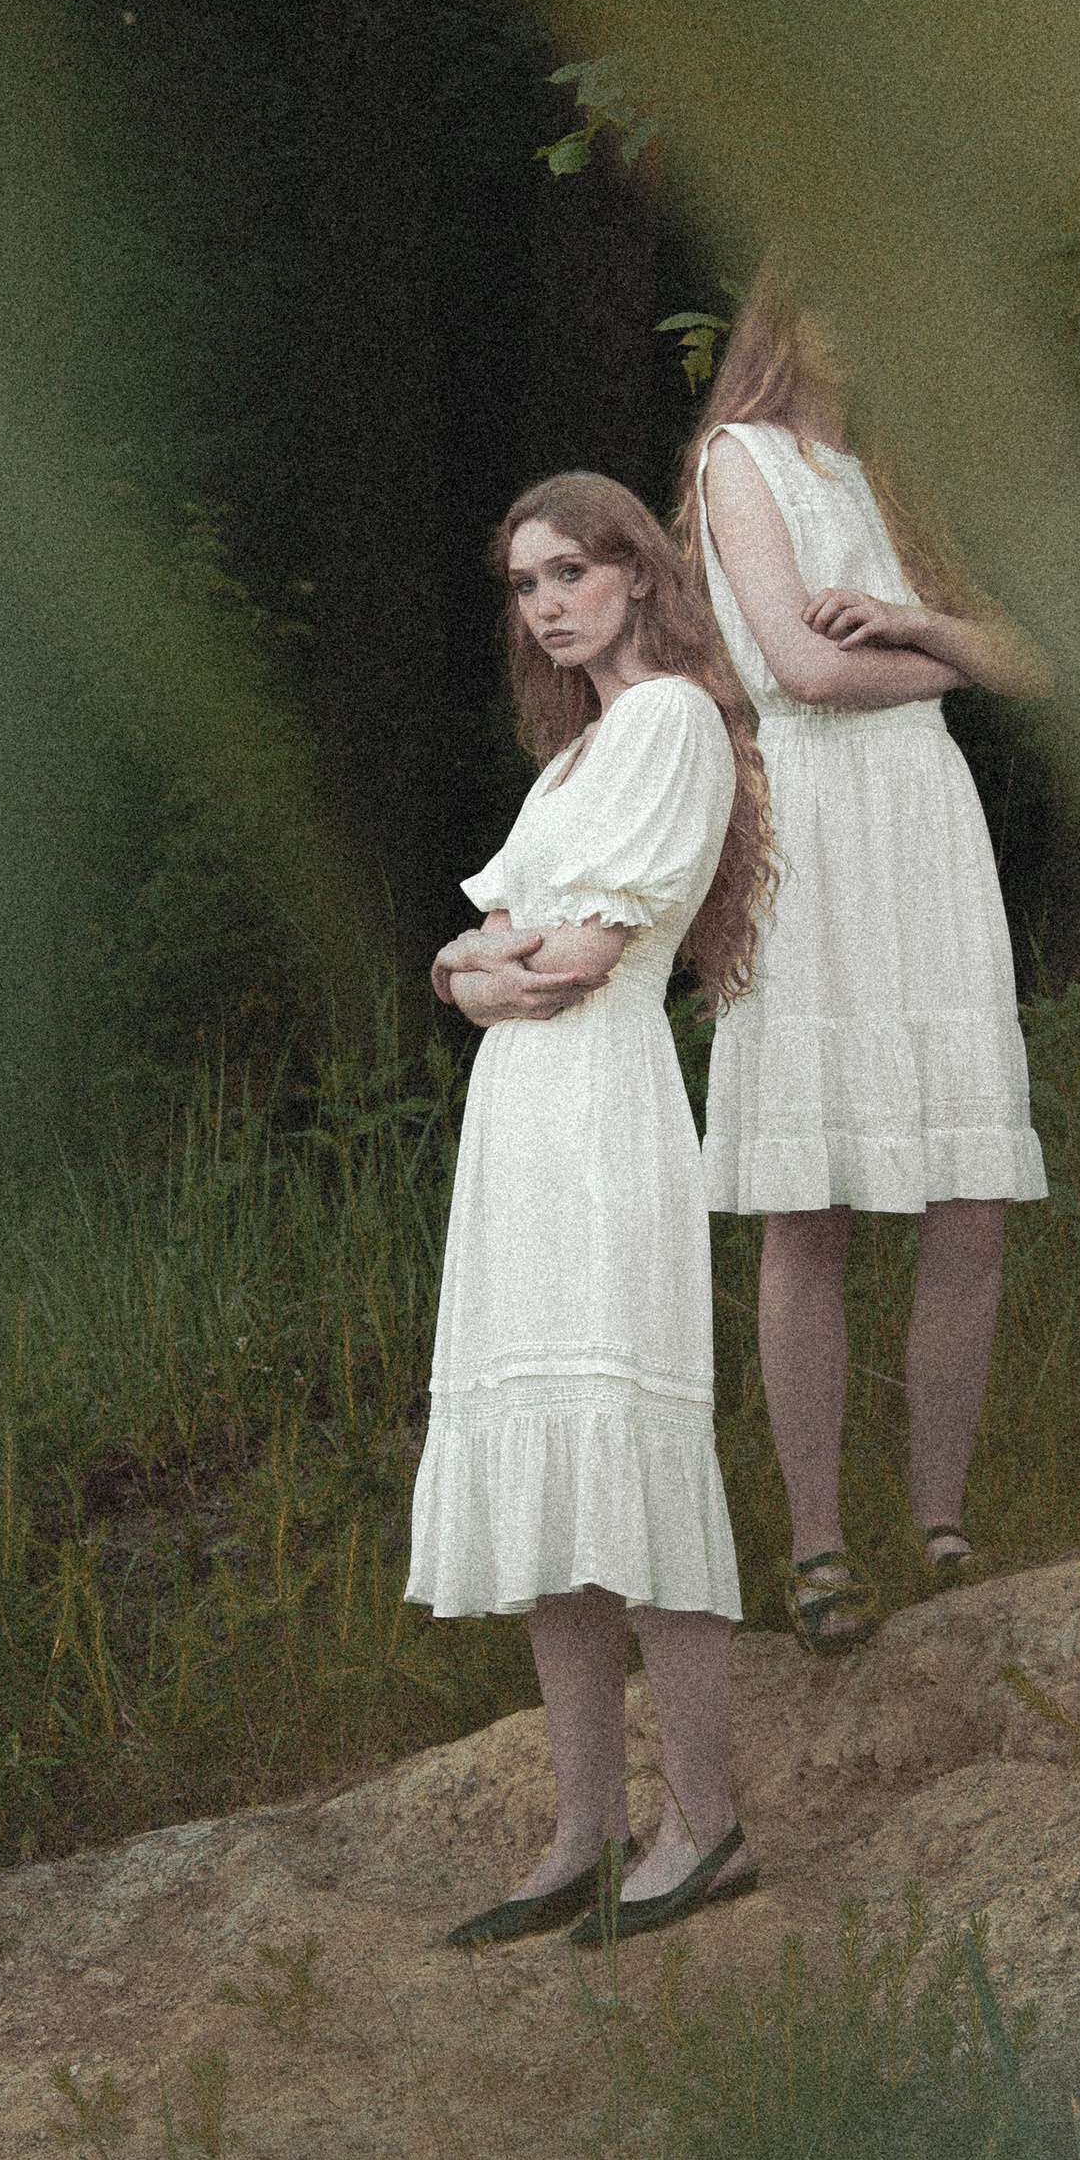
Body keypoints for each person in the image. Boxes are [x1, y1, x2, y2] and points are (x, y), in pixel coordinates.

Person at [410, 471, 779, 1947]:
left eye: (571, 571)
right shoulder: (568, 766)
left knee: (630, 1459)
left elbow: (567, 961)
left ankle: (707, 1818)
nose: (548, 603)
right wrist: (464, 970)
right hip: (521, 1130)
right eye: (525, 584)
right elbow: (481, 948)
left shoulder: (674, 727)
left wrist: (479, 972)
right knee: (551, 1475)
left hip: (606, 1115)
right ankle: (581, 1828)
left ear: (638, 572)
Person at [677, 261, 1051, 1650]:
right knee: (811, 1204)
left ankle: (945, 1524)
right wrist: (960, 658)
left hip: (928, 829)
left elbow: (1037, 662)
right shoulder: (740, 461)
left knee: (969, 1192)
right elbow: (804, 668)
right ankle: (823, 1548)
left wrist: (916, 624)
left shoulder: (902, 476)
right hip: (820, 830)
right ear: (781, 311)